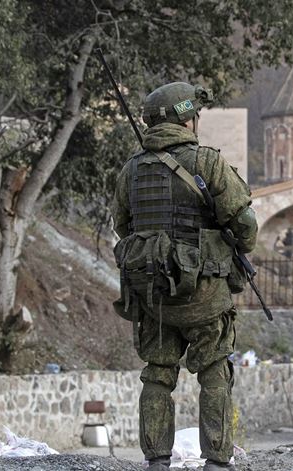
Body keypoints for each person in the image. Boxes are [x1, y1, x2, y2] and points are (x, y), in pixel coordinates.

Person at [111, 82, 257, 471]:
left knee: (157, 375)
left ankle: (157, 460)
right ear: (187, 120)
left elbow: (122, 225)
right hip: (204, 293)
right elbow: (244, 223)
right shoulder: (207, 162)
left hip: (153, 295)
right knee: (214, 371)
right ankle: (216, 461)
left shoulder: (131, 169)